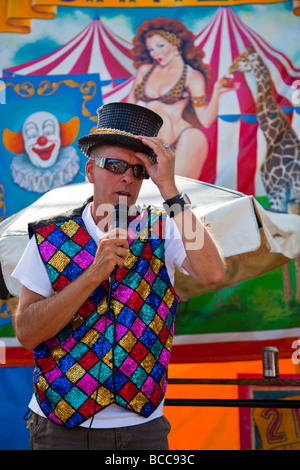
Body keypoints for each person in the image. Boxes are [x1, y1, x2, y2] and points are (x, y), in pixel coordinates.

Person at [13, 102, 225, 450]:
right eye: (115, 166)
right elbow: (26, 332)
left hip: (143, 427)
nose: (127, 177)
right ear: (90, 170)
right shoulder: (50, 237)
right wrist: (94, 274)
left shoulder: (164, 227)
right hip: (61, 428)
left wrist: (170, 191)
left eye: (138, 170)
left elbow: (212, 272)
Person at [127, 17, 239, 178]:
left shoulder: (192, 77)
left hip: (180, 141)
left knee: (176, 197)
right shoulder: (145, 70)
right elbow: (130, 105)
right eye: (151, 49)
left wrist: (216, 92)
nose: (156, 53)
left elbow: (205, 120)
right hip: (145, 142)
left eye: (160, 46)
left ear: (175, 43)